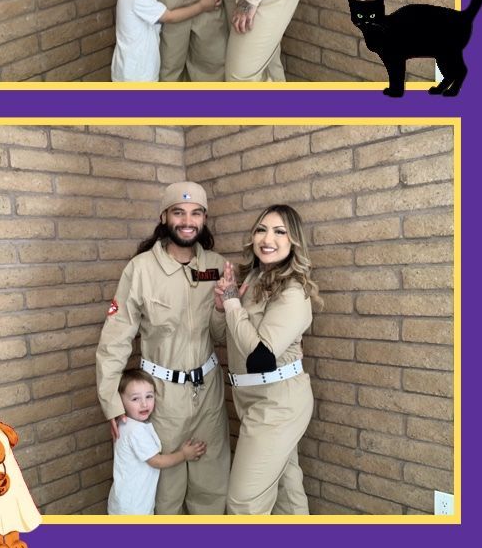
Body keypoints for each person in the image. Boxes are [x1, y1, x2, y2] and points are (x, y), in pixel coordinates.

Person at [96, 182, 231, 515]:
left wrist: (219, 307)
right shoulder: (140, 269)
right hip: (161, 396)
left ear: (204, 218)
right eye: (179, 212)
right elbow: (115, 338)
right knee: (166, 491)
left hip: (208, 392)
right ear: (164, 216)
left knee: (212, 485)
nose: (188, 221)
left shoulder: (216, 265)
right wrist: (111, 400)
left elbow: (220, 334)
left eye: (196, 213)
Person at [215, 205, 321, 516]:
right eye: (262, 229)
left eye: (279, 231)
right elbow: (223, 336)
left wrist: (234, 303)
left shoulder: (292, 292)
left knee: (243, 502)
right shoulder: (252, 280)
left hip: (279, 403)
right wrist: (223, 306)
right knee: (287, 488)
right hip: (250, 398)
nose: (267, 238)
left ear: (294, 242)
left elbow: (260, 358)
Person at [108, 369, 207, 515]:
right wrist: (184, 454)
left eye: (149, 396)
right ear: (120, 400)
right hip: (134, 507)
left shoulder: (122, 423)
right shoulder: (136, 431)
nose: (144, 404)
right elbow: (157, 461)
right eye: (135, 399)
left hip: (123, 501)